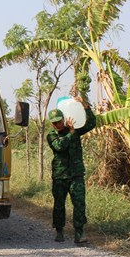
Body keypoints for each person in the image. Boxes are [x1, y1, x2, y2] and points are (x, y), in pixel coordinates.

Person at [46, 97, 96, 244]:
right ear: (51, 123)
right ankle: (59, 231)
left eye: (59, 121)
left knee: (79, 203)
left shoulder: (73, 129)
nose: (58, 124)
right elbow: (59, 146)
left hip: (76, 174)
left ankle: (79, 233)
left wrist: (86, 106)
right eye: (54, 122)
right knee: (59, 204)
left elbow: (91, 124)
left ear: (64, 118)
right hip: (60, 176)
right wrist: (71, 133)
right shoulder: (52, 135)